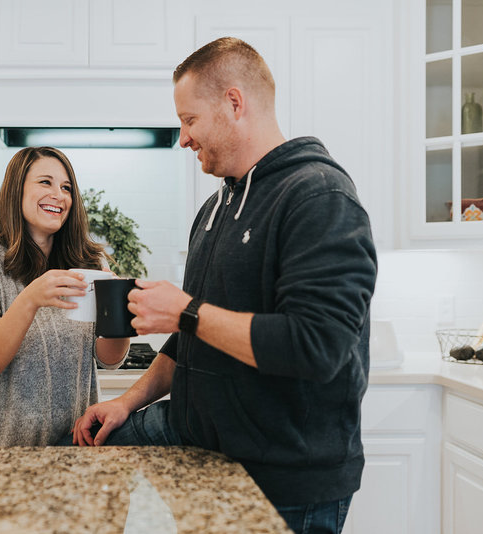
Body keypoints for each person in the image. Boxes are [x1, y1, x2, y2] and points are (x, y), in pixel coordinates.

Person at [70, 37, 377, 534]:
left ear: (234, 103)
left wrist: (186, 311)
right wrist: (127, 402)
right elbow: (192, 337)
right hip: (203, 462)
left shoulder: (318, 195)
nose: (184, 138)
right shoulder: (214, 210)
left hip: (283, 483)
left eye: (190, 120)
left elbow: (318, 347)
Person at [0, 146, 130, 446]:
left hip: (76, 449)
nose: (59, 195)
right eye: (45, 182)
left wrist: (118, 313)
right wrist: (30, 298)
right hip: (3, 453)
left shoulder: (88, 264)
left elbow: (109, 360)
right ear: (16, 190)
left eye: (66, 187)